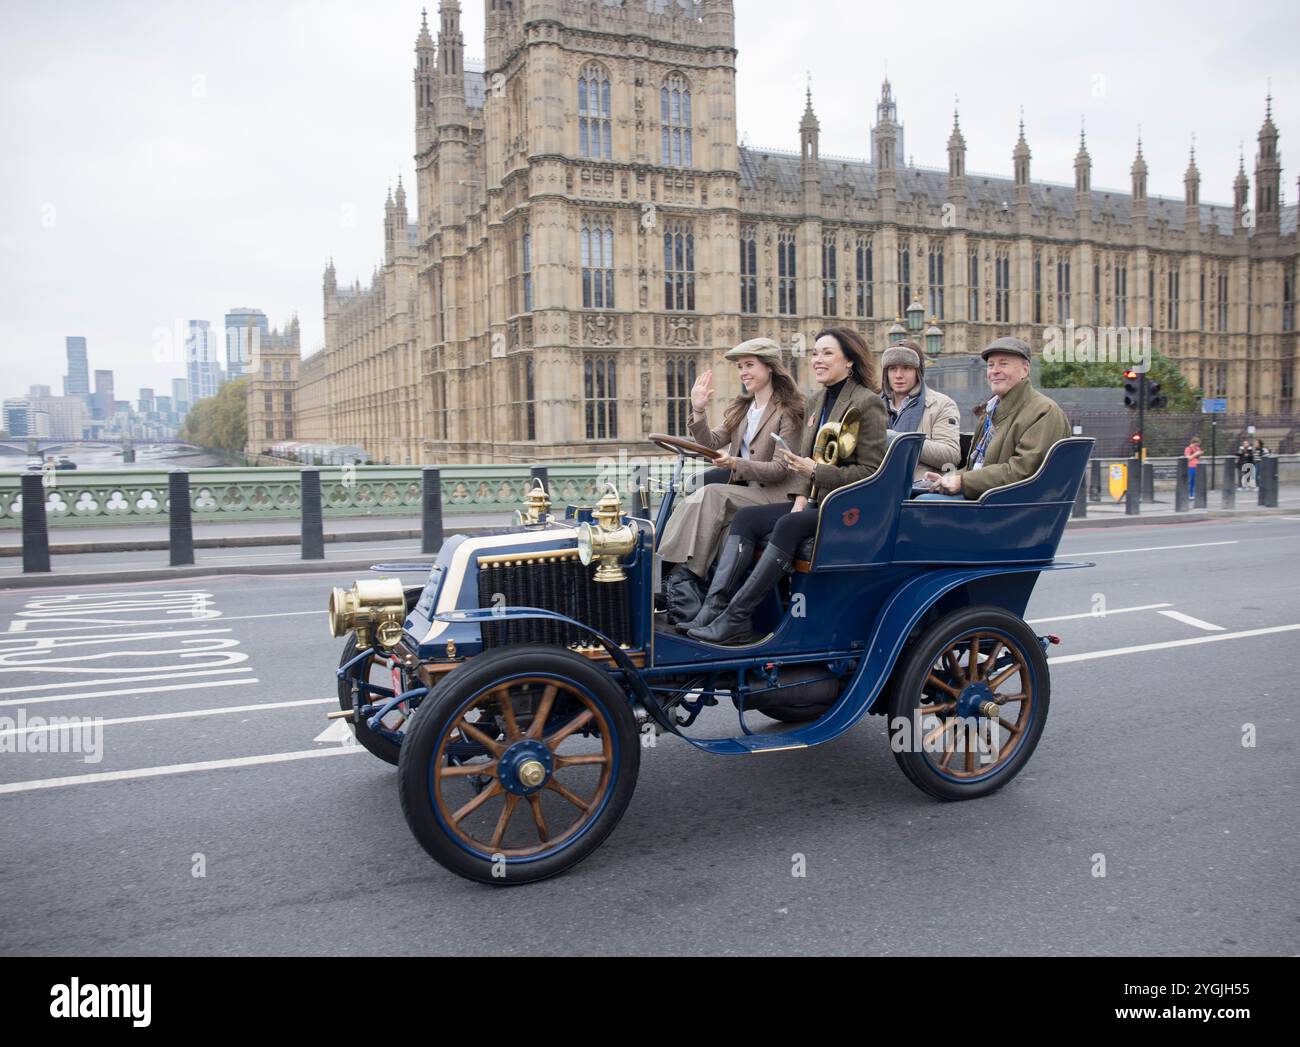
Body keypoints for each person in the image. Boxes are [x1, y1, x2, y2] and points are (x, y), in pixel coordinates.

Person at [681, 327, 887, 645]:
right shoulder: (818, 399)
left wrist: (817, 474)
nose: (817, 359)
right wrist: (802, 497)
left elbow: (871, 473)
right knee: (746, 519)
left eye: (827, 353)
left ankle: (736, 617)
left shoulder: (867, 403)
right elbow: (804, 459)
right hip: (816, 500)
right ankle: (713, 607)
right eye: (815, 353)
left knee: (789, 525)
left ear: (850, 361)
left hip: (846, 505)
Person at [659, 339, 806, 622]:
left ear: (770, 368)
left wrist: (735, 463)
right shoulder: (744, 409)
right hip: (749, 492)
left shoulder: (789, 410)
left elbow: (780, 469)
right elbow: (711, 443)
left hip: (777, 497)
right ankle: (678, 579)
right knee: (701, 497)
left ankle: (677, 578)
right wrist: (698, 410)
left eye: (750, 365)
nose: (743, 372)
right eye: (740, 367)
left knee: (713, 494)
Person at [920, 336, 1072, 499]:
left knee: (923, 502)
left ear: (1025, 369)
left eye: (1003, 363)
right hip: (986, 497)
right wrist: (949, 479)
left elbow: (1022, 471)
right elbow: (977, 468)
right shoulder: (990, 412)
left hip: (1010, 504)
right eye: (991, 365)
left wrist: (963, 482)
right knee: (915, 495)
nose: (994, 370)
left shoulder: (1044, 412)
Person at [880, 340, 961, 482]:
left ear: (918, 372)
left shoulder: (942, 405)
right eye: (892, 368)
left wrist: (899, 439)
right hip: (875, 484)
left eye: (906, 368)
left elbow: (951, 456)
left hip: (917, 489)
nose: (898, 375)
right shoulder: (873, 405)